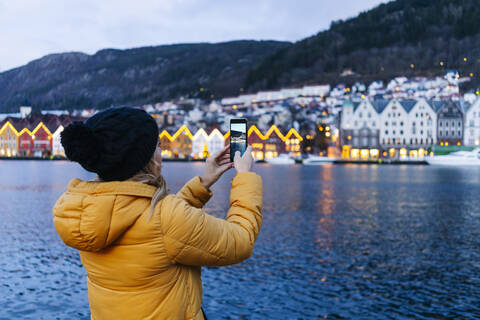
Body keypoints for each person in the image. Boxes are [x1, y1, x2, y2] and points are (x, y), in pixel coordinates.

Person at [52, 107, 263, 320]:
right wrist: (245, 175)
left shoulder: (90, 209)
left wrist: (204, 182)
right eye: (157, 146)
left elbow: (152, 225)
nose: (161, 151)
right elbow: (241, 241)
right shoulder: (165, 218)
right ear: (146, 158)